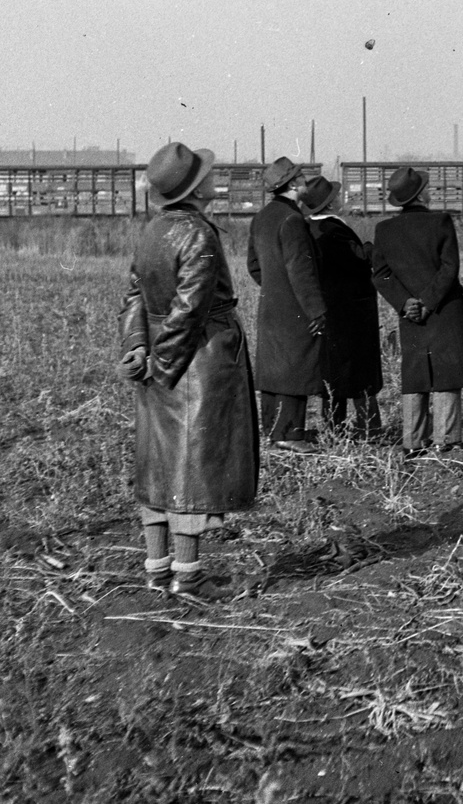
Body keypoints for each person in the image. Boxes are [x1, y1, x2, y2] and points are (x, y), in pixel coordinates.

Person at [117, 141, 256, 601]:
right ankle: (189, 579)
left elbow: (135, 296)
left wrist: (139, 349)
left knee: (158, 466)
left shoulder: (152, 230)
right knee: (191, 470)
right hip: (197, 361)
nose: (215, 179)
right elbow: (190, 308)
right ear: (197, 190)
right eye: (208, 175)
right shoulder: (198, 234)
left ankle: (157, 570)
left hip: (160, 358)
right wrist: (164, 365)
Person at [370, 166, 463, 453]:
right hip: (445, 309)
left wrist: (407, 303)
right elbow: (449, 267)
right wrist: (429, 302)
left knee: (415, 373)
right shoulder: (441, 222)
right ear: (422, 194)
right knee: (448, 372)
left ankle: (413, 440)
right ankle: (446, 439)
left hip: (410, 314)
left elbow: (380, 274)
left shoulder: (384, 230)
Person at [246, 156, 326, 452]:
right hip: (296, 308)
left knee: (274, 368)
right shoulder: (292, 219)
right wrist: (317, 310)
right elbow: (301, 271)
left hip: (271, 306)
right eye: (302, 177)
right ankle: (291, 435)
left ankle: (273, 430)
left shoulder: (262, 217)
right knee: (296, 368)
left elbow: (253, 265)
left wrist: (273, 287)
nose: (305, 181)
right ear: (293, 185)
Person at [300, 174, 384, 439]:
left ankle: (334, 428)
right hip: (353, 310)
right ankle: (368, 427)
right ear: (329, 203)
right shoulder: (334, 229)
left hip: (327, 308)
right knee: (361, 370)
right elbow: (358, 260)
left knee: (332, 371)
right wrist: (372, 248)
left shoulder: (307, 228)